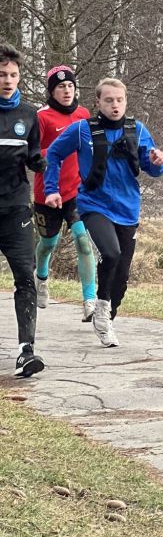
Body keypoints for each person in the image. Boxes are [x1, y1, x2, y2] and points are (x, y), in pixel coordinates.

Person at [43, 77, 163, 348]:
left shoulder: (137, 130)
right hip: (93, 205)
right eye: (108, 100)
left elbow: (151, 167)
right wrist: (52, 189)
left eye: (119, 100)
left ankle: (106, 312)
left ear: (126, 102)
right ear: (97, 102)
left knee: (122, 275)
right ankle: (100, 305)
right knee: (110, 253)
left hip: (128, 208)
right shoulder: (82, 130)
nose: (115, 105)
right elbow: (53, 154)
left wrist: (158, 162)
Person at [33, 66, 97, 322]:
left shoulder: (84, 115)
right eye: (61, 87)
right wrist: (56, 151)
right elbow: (32, 154)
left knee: (83, 241)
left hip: (76, 192)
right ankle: (41, 277)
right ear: (52, 91)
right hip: (47, 194)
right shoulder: (42, 117)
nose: (67, 91)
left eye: (70, 86)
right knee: (49, 243)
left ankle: (90, 300)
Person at [0, 42, 46, 378]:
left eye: (13, 75)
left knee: (25, 279)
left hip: (15, 208)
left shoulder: (29, 115)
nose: (7, 80)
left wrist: (46, 166)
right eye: (2, 74)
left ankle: (26, 351)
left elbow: (34, 156)